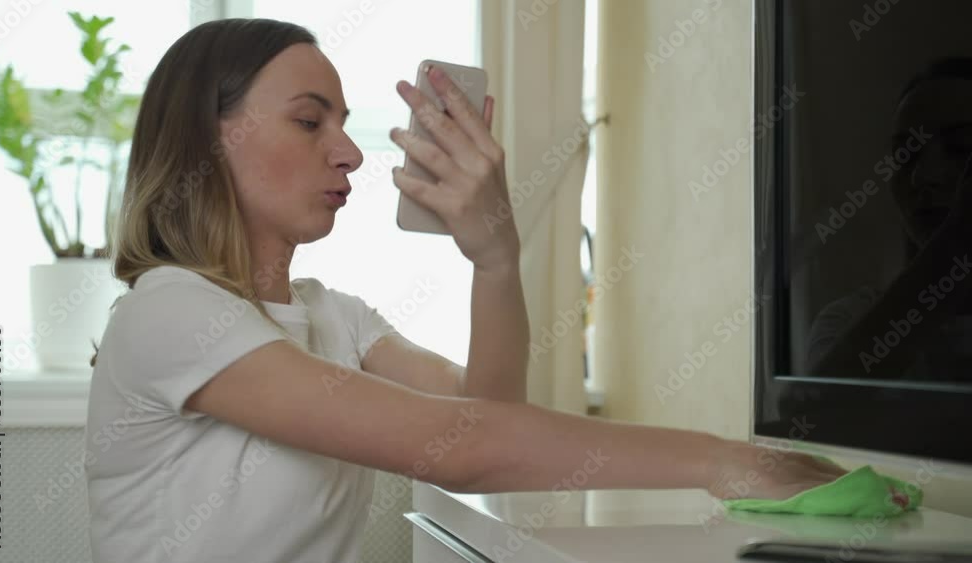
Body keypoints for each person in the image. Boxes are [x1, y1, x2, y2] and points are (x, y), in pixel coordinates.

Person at [84, 18, 844, 563]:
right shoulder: (168, 311)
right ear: (208, 138)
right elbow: (464, 451)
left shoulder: (337, 318)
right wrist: (723, 462)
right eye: (310, 121)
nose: (349, 153)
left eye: (342, 123)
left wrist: (495, 258)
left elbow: (487, 417)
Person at [806, 57, 972, 382]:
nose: (922, 177)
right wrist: (956, 243)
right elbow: (817, 406)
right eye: (905, 155)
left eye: (960, 147)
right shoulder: (847, 320)